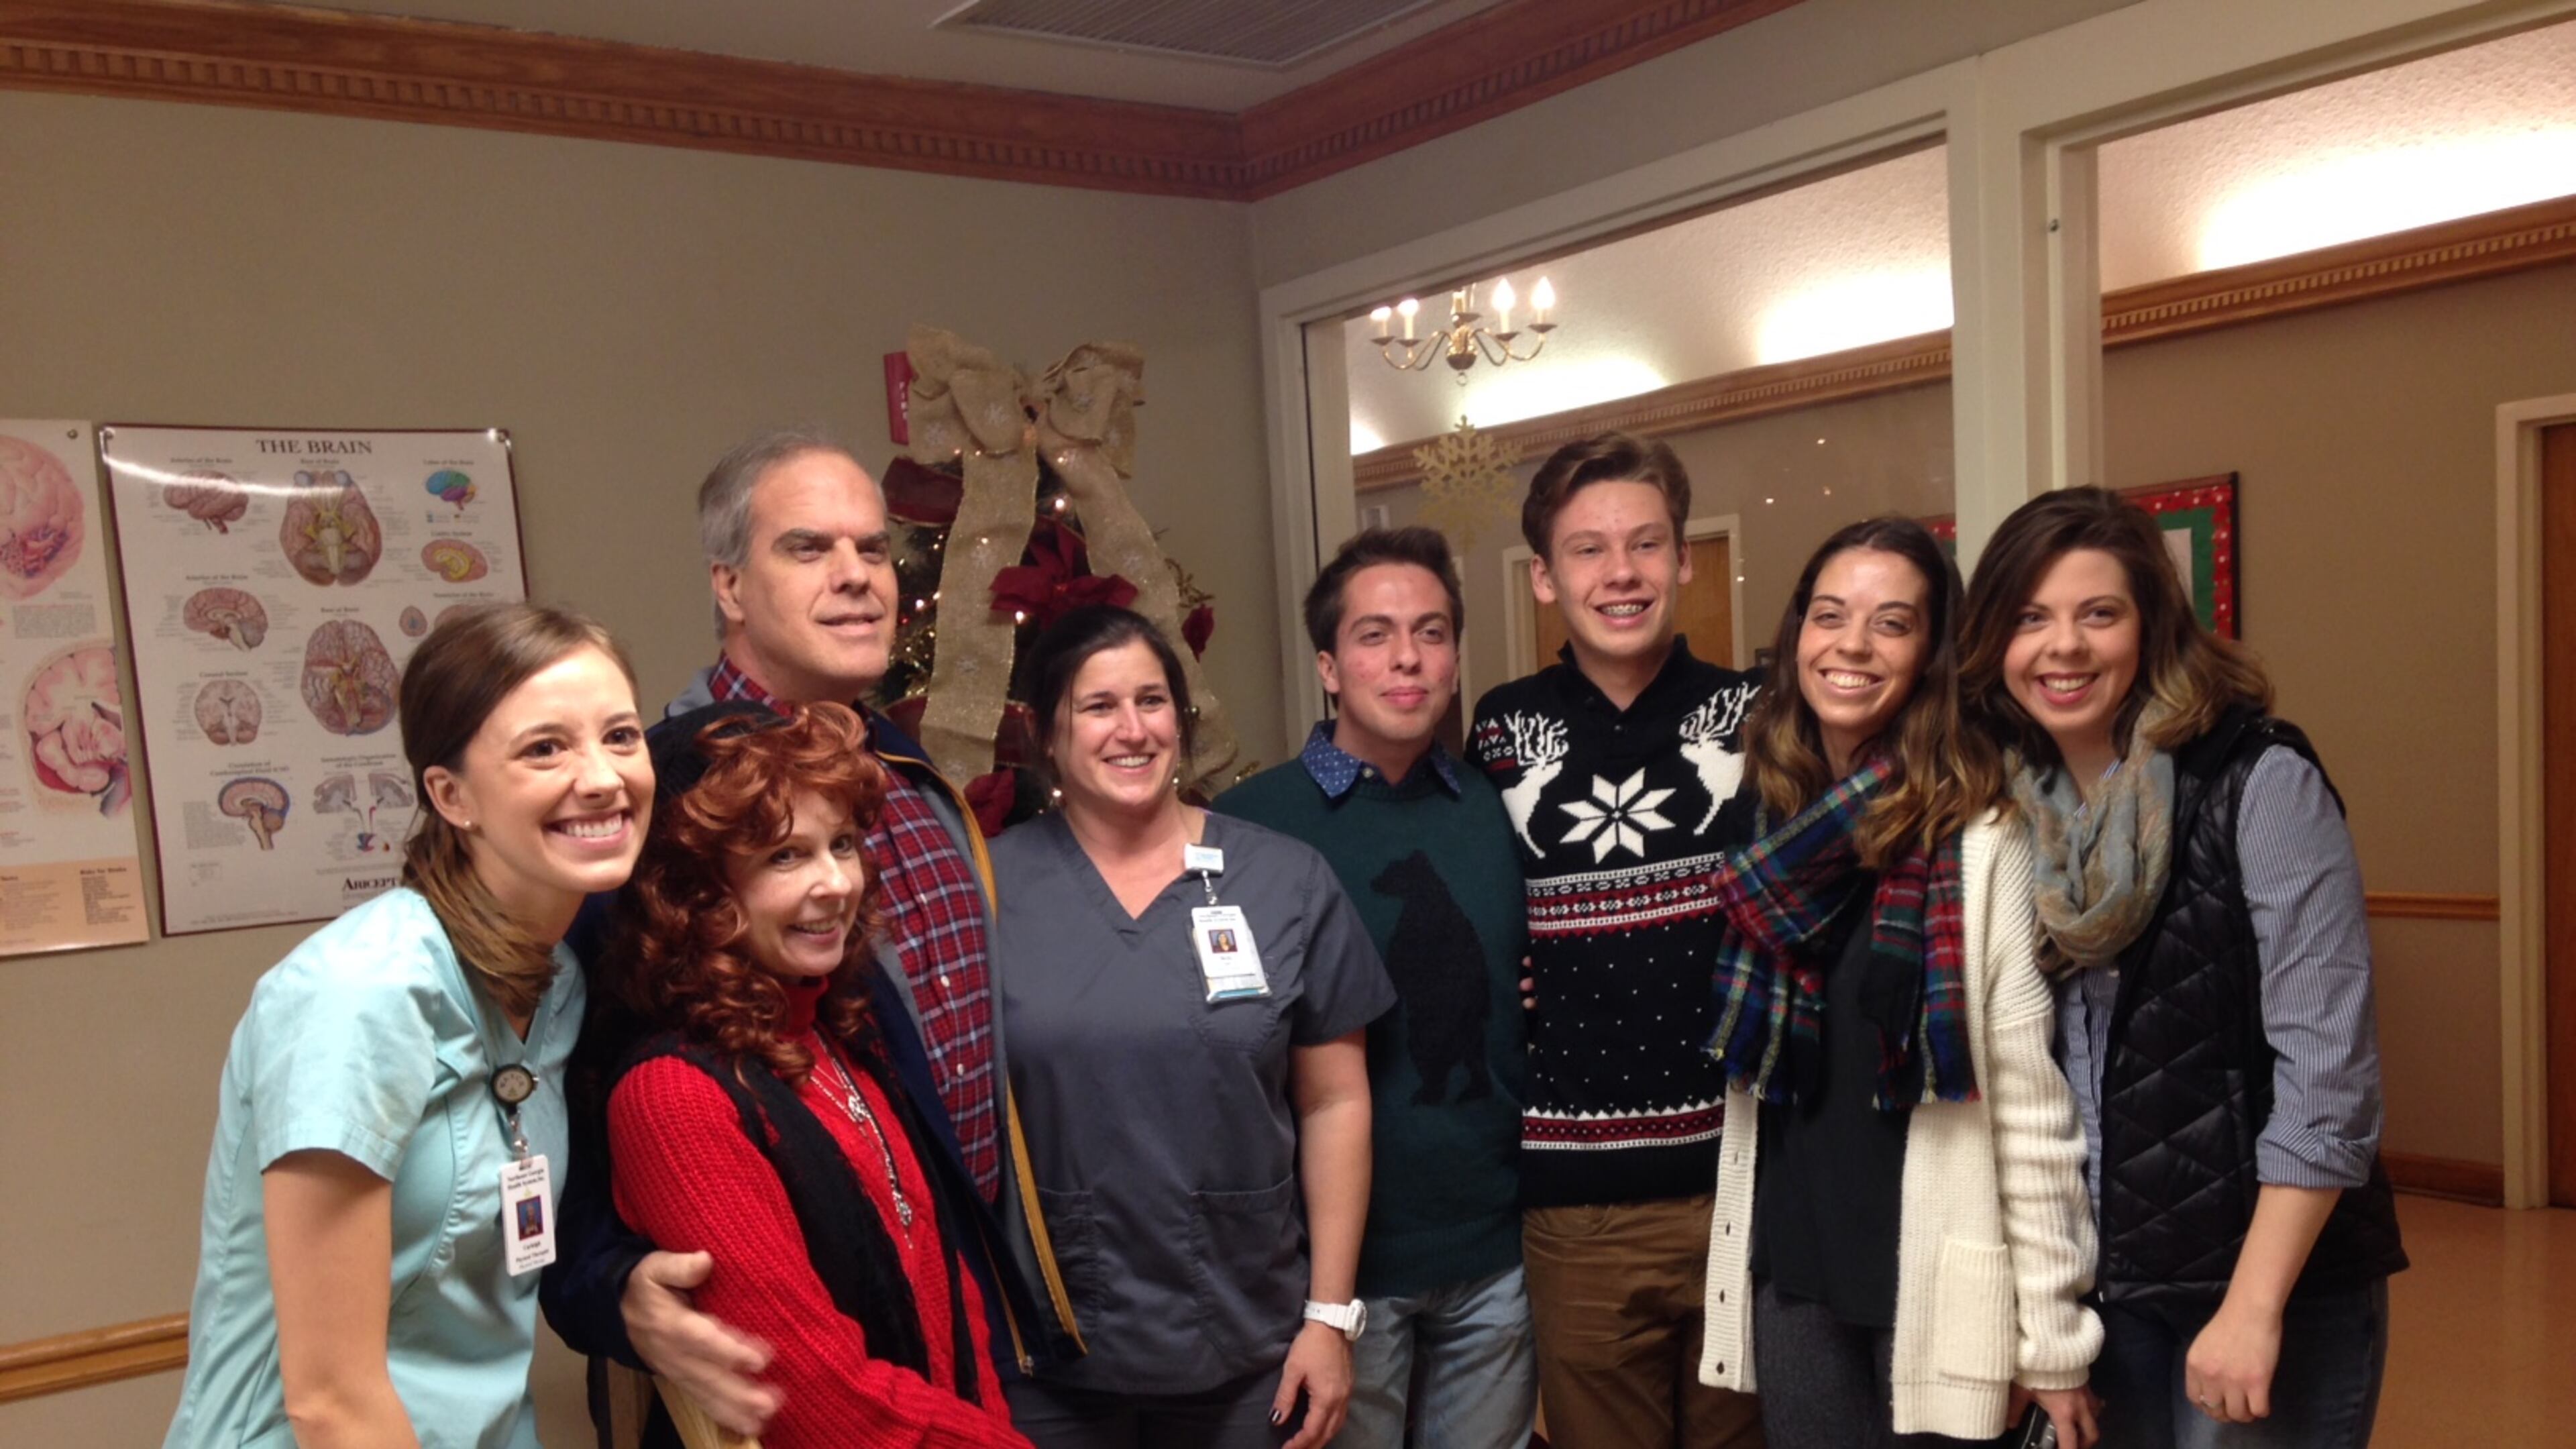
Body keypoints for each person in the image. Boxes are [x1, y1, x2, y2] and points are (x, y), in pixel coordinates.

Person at [543, 429, 1079, 1445]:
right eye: (809, 549)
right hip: (802, 1368)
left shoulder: (907, 778)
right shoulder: (661, 803)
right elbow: (573, 1098)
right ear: (730, 585)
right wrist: (604, 1287)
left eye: (873, 550)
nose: (857, 579)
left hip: (955, 1328)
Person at [1957, 488, 2406, 1448]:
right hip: (2098, 1296)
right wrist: (2042, 1322)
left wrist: (2252, 1307)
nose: (2063, 647)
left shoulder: (2259, 777)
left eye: (2098, 613)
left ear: (2153, 625)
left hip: (2260, 1288)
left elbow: (2330, 1077)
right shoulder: (1996, 811)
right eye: (2031, 618)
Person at [166, 602, 652, 1448]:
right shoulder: (360, 994)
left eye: (620, 736)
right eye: (546, 748)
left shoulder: (559, 983)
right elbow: (331, 1399)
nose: (604, 777)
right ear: (450, 794)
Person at [1694, 518, 2102, 1446]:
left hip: (1931, 1281)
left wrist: (2053, 1340)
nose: (1850, 646)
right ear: (1797, 633)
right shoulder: (1770, 825)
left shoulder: (1981, 837)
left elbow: (2033, 1110)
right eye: (1830, 615)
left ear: (1932, 654)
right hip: (1795, 1271)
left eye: (1891, 624)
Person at [991, 604, 1396, 1449]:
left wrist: (1328, 1316)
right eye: (1099, 707)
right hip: (1044, 1352)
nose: (1132, 730)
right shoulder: (989, 889)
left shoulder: (1285, 881)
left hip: (1247, 1344)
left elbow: (1334, 1106)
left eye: (1152, 700)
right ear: (1048, 736)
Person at [602, 702, 1028, 1448]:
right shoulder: (672, 1097)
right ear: (700, 894)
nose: (837, 883)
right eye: (785, 857)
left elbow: (955, 1301)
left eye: (842, 844)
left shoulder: (840, 1035)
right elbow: (812, 1398)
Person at [1464, 431, 1764, 1449]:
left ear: (1684, 558)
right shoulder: (1503, 735)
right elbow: (1474, 920)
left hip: (1746, 1189)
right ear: (1545, 579)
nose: (1621, 573)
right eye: (1588, 550)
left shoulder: (1757, 718)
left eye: (1645, 544)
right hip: (1578, 1208)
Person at [1216, 528, 1536, 1449]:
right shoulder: (1248, 825)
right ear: (1328, 665)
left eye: (1431, 633)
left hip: (1495, 1250)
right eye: (1375, 634)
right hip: (1337, 1269)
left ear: (1456, 656)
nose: (1407, 658)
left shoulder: (1496, 807)